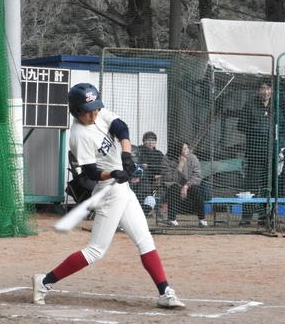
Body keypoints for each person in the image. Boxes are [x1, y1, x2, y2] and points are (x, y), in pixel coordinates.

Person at [32, 83, 185, 309]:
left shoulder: (98, 113)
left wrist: (125, 156)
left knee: (145, 242)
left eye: (95, 108)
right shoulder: (79, 134)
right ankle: (44, 282)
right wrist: (113, 172)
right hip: (107, 192)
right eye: (88, 111)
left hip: (122, 190)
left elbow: (121, 128)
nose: (94, 114)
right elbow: (91, 172)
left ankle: (165, 292)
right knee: (95, 251)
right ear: (76, 111)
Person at [238, 79, 276, 225]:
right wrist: (257, 129)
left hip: (270, 153)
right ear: (258, 90)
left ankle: (265, 216)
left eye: (268, 89)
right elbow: (241, 126)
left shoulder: (275, 106)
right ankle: (246, 217)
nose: (265, 92)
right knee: (251, 185)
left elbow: (282, 126)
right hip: (254, 152)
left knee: (269, 185)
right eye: (263, 88)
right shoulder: (250, 105)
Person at [161, 141, 207, 227]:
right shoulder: (166, 160)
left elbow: (197, 175)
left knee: (197, 190)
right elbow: (169, 179)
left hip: (189, 186)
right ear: (178, 150)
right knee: (174, 188)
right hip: (172, 187)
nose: (188, 150)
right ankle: (172, 219)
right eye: (185, 149)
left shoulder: (193, 158)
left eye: (187, 148)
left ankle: (202, 219)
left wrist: (186, 186)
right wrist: (180, 164)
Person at [133, 131, 164, 216]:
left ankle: (149, 208)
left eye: (153, 140)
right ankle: (150, 208)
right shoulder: (138, 150)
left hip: (153, 179)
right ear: (144, 141)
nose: (151, 142)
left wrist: (157, 174)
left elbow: (161, 168)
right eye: (148, 140)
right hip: (139, 178)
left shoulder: (159, 154)